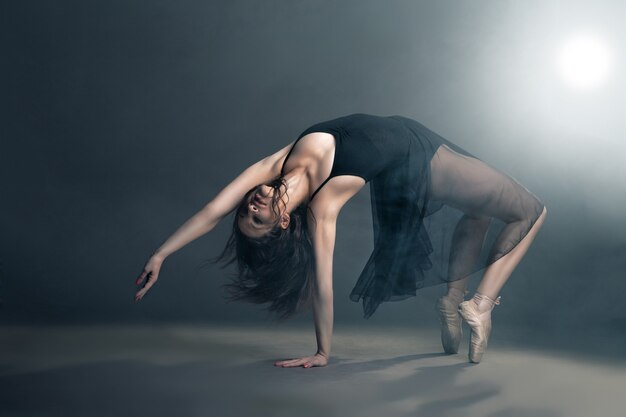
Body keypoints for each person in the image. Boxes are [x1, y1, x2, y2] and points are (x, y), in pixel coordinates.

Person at [134, 113, 547, 367]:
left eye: (245, 209)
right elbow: (323, 287)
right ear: (280, 224)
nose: (251, 203)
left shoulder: (276, 163)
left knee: (479, 210)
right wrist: (322, 352)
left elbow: (211, 211)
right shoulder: (323, 207)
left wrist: (161, 253)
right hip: (422, 160)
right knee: (531, 209)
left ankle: (452, 301)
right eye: (255, 217)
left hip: (414, 134)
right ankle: (480, 305)